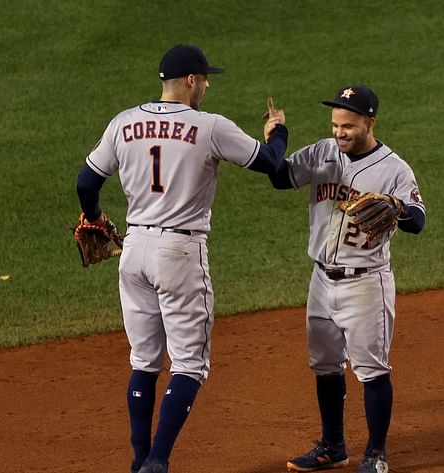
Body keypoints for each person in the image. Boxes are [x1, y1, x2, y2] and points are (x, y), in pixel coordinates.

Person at [75, 44, 288, 473]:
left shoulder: (124, 122)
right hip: (179, 252)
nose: (207, 86)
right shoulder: (209, 126)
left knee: (144, 360)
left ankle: (139, 462)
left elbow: (86, 182)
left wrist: (97, 218)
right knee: (189, 365)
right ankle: (157, 462)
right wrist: (277, 131)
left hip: (133, 252)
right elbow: (271, 165)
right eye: (206, 79)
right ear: (191, 81)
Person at [266, 85, 426, 473]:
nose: (340, 132)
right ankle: (333, 446)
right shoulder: (323, 151)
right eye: (336, 124)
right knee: (324, 365)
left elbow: (418, 221)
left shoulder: (394, 169)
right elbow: (281, 178)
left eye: (349, 126)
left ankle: (376, 453)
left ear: (369, 123)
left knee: (371, 370)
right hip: (321, 281)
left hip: (366, 283)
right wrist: (276, 136)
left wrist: (396, 206)